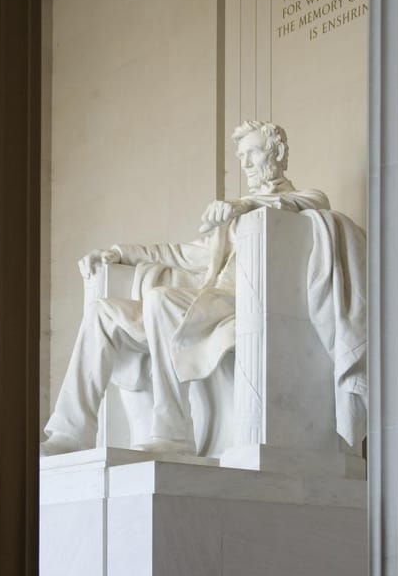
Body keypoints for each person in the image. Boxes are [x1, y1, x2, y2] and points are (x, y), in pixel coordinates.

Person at [41, 120, 363, 456]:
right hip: (204, 301)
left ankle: (173, 431)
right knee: (102, 311)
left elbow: (312, 201)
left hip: (239, 302)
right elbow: (183, 254)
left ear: (277, 152)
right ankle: (72, 429)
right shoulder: (235, 217)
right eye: (241, 156)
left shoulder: (295, 203)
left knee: (160, 300)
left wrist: (244, 206)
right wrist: (121, 253)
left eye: (252, 152)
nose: (246, 164)